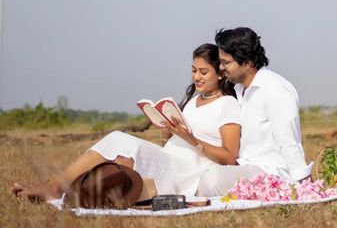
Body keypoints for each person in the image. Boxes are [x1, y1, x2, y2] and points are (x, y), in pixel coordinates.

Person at [12, 43, 242, 201]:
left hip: (189, 170)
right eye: (194, 71)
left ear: (220, 74)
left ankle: (55, 187)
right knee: (119, 155)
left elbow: (230, 156)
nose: (196, 77)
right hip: (171, 158)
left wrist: (189, 138)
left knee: (119, 141)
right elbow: (175, 142)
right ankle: (59, 188)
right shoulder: (193, 101)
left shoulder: (227, 104)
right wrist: (166, 132)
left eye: (203, 72)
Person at [196, 27, 312, 196]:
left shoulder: (275, 89)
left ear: (248, 62)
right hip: (243, 168)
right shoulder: (237, 91)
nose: (221, 67)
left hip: (270, 173)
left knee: (212, 180)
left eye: (226, 62)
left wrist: (304, 187)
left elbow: (289, 141)